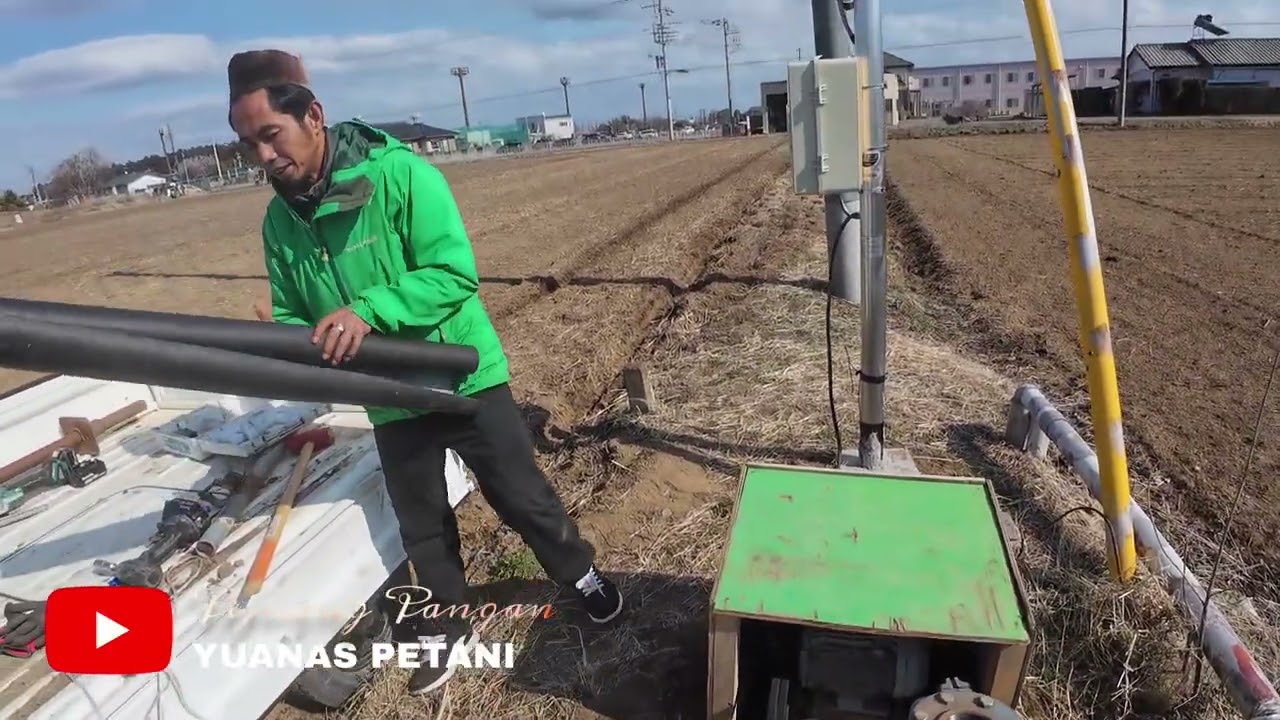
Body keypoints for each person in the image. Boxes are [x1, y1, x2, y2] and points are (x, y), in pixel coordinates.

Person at [226, 49, 623, 696]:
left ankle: (581, 576)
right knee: (423, 527)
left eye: (271, 135)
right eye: (249, 145)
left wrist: (367, 312)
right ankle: (448, 629)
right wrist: (285, 336)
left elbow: (453, 274)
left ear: (314, 116)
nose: (264, 157)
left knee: (519, 495)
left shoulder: (402, 177)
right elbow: (298, 312)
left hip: (461, 375)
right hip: (387, 394)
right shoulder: (280, 222)